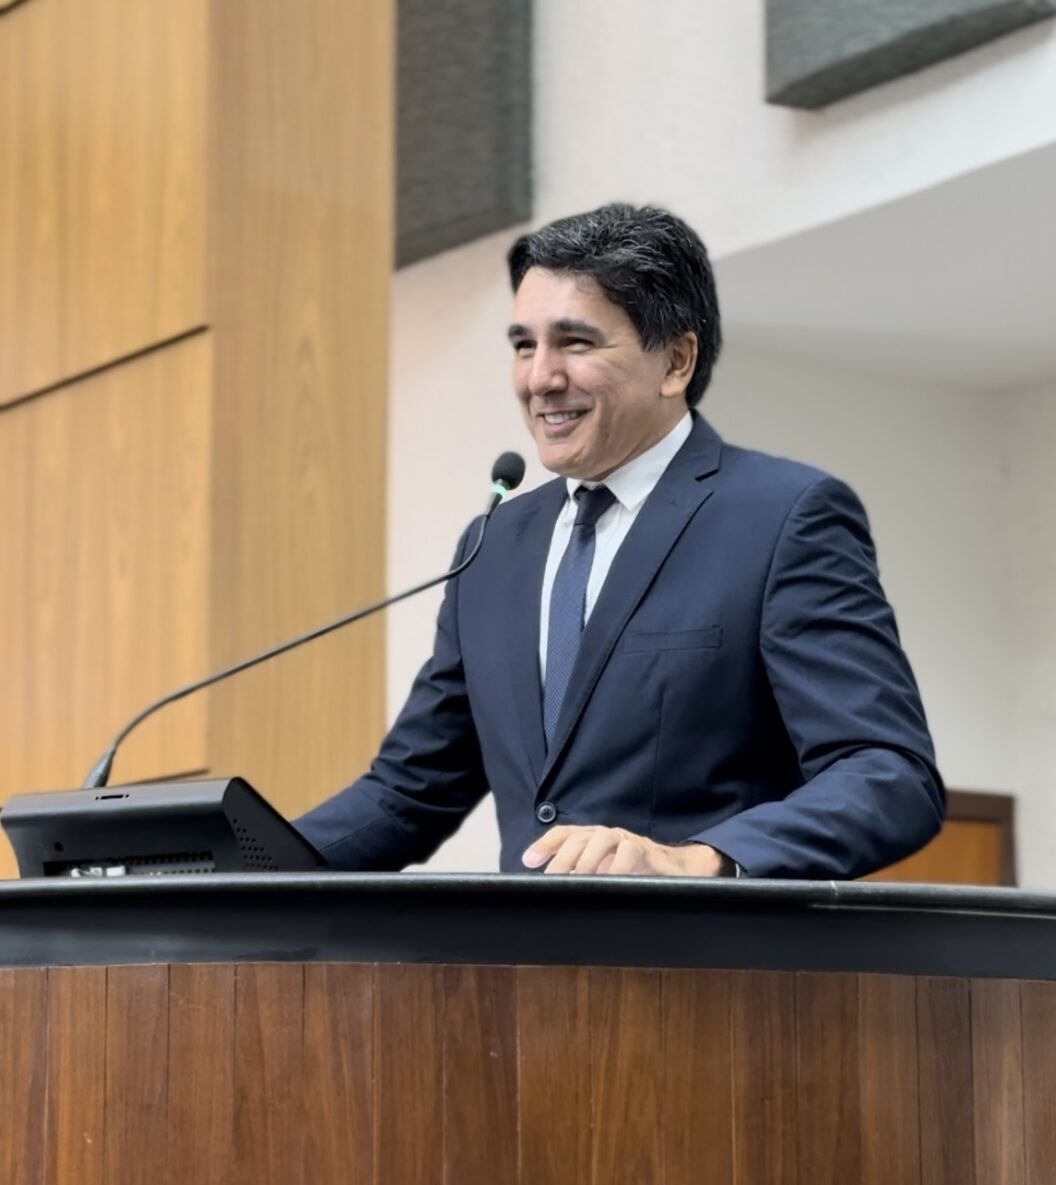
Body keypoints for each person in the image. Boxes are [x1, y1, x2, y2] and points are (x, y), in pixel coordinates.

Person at [296, 203, 943, 879]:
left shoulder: (784, 517)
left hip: (703, 944)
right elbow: (406, 794)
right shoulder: (493, 547)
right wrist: (243, 865)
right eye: (524, 345)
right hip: (523, 948)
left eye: (575, 343)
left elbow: (887, 773)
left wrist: (699, 860)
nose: (539, 378)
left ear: (676, 361)